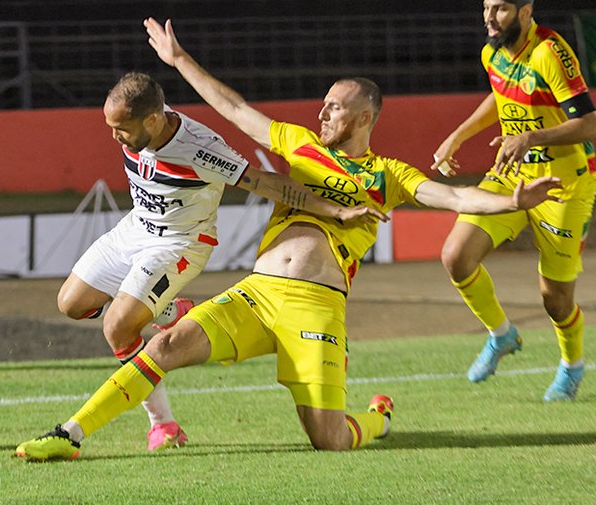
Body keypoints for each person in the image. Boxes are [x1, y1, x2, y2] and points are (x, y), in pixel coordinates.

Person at [14, 19, 562, 461]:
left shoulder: (388, 175)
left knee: (327, 438)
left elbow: (453, 198)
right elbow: (235, 110)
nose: (321, 111)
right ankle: (70, 434)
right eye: (323, 104)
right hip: (258, 293)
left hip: (318, 311)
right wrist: (179, 61)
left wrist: (511, 202)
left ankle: (379, 416)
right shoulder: (301, 144)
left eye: (334, 106)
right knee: (161, 345)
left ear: (364, 115)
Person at [55, 71, 389, 451]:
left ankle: (162, 425)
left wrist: (332, 210)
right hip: (135, 229)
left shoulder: (201, 149)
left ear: (153, 119)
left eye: (121, 129)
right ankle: (167, 312)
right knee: (71, 304)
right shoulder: (139, 117)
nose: (114, 136)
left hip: (179, 243)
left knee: (117, 327)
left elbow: (267, 182)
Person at [432, 0, 596, 400]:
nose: (489, 17)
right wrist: (457, 136)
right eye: (486, 8)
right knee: (456, 255)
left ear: (525, 12)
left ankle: (572, 366)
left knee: (555, 301)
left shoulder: (550, 52)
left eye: (500, 10)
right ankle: (501, 335)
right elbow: (499, 95)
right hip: (511, 177)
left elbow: (590, 123)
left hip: (562, 184)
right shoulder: (493, 52)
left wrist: (531, 137)